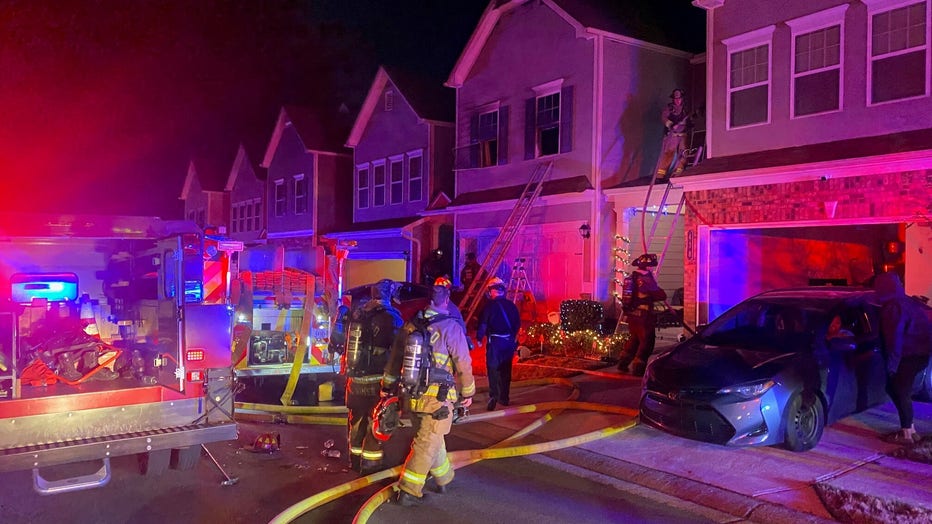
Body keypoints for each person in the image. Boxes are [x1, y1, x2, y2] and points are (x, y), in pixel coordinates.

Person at [382, 285, 475, 506]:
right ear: (446, 301)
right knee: (426, 442)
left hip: (412, 394)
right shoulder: (451, 327)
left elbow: (395, 359)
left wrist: (387, 387)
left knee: (432, 437)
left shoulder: (411, 326)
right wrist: (468, 392)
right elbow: (463, 363)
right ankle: (409, 490)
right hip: (438, 399)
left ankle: (444, 478)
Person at [342, 279, 403, 474]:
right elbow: (399, 350)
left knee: (357, 419)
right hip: (378, 379)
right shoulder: (392, 318)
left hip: (355, 380)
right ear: (389, 295)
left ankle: (354, 460)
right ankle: (370, 463)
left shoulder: (359, 314)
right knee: (376, 420)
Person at [873, 272, 932, 445]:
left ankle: (907, 433)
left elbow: (895, 339)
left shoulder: (893, 307)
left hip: (909, 355)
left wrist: (892, 365)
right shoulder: (907, 301)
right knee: (899, 390)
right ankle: (910, 431)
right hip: (921, 353)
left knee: (899, 389)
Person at [616, 254, 668, 376]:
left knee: (634, 340)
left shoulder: (632, 278)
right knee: (647, 342)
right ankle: (638, 369)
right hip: (644, 317)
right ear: (647, 267)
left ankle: (622, 364)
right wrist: (655, 284)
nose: (652, 269)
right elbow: (660, 295)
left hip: (632, 316)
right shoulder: (646, 279)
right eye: (651, 267)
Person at [476, 277, 520, 410]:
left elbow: (483, 324)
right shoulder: (512, 306)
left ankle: (494, 395)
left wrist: (479, 338)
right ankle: (504, 397)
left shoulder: (488, 307)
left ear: (491, 291)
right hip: (508, 342)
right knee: (506, 369)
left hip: (494, 342)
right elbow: (517, 324)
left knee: (493, 369)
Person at [654, 88, 692, 178]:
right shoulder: (669, 108)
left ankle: (678, 173)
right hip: (672, 135)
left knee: (683, 154)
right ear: (673, 99)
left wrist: (689, 124)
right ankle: (660, 176)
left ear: (682, 99)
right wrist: (671, 125)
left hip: (683, 136)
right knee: (668, 154)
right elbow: (664, 118)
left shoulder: (686, 109)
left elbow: (689, 121)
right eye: (676, 99)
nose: (678, 100)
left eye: (679, 99)